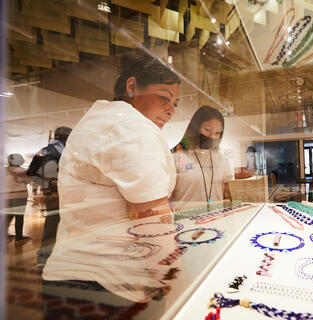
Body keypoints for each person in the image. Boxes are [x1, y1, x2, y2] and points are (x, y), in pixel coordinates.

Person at [41, 51, 181, 311]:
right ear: (132, 87)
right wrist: (173, 277)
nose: (171, 110)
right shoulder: (131, 126)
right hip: (106, 288)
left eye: (175, 103)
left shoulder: (102, 119)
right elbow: (150, 216)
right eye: (164, 98)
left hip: (73, 280)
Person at [170, 106, 233, 212]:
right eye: (208, 130)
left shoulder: (221, 158)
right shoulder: (176, 156)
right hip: (185, 222)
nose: (212, 136)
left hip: (216, 220)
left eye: (217, 132)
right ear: (195, 128)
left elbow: (226, 193)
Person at [27, 126, 72, 268]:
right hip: (69, 193)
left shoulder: (43, 151)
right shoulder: (70, 150)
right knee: (72, 224)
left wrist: (46, 185)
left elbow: (31, 173)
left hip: (50, 194)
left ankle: (43, 258)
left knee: (51, 223)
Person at [3, 153, 31, 244]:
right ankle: (19, 237)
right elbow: (28, 181)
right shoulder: (23, 171)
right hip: (19, 196)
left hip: (6, 196)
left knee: (8, 216)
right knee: (19, 216)